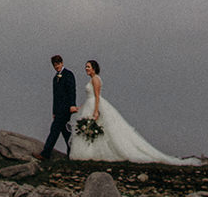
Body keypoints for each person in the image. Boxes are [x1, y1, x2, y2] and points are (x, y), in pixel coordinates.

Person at [67, 59, 198, 165]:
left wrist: (96, 111)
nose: (86, 68)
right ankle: (90, 153)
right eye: (86, 67)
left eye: (88, 66)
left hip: (94, 106)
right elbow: (90, 97)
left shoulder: (95, 79)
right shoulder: (92, 80)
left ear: (94, 68)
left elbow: (97, 96)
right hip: (89, 105)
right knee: (92, 131)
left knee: (99, 129)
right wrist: (81, 108)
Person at [39, 54, 78, 162]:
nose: (56, 67)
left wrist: (72, 105)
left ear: (62, 63)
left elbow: (72, 90)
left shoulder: (68, 74)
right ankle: (73, 153)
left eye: (58, 64)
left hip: (66, 108)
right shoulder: (55, 78)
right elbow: (55, 96)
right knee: (66, 133)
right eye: (54, 65)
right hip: (59, 110)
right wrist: (54, 111)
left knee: (54, 130)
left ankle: (45, 153)